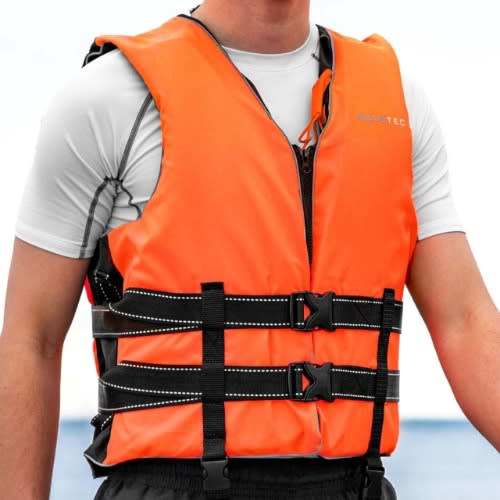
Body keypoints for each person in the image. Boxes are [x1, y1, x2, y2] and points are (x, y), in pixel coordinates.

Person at [0, 1, 498, 499]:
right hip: (173, 486)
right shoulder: (108, 100)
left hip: (357, 484)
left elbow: (466, 321)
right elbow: (30, 339)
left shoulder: (397, 106)